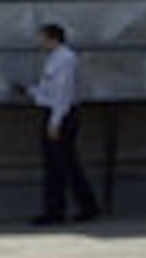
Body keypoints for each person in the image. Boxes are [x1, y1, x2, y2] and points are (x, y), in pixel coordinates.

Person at [21, 22, 99, 225]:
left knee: (64, 164)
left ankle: (80, 207)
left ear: (53, 38)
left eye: (43, 38)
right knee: (57, 165)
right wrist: (31, 91)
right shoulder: (54, 59)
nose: (40, 42)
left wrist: (55, 122)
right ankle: (57, 209)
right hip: (55, 112)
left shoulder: (65, 59)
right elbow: (49, 90)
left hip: (62, 115)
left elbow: (62, 93)